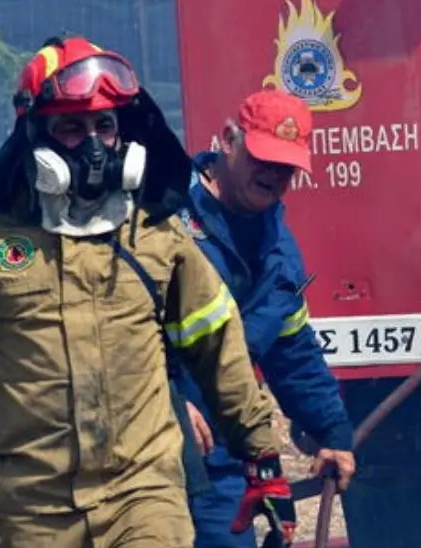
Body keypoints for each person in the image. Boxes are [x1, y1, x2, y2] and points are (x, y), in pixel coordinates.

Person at [0, 36, 296, 548]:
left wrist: (263, 458)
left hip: (144, 493)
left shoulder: (160, 241)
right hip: (35, 506)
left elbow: (220, 353)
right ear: (37, 138)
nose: (95, 144)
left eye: (105, 125)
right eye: (73, 127)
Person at [175, 89, 358, 547]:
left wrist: (330, 431)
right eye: (263, 159)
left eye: (286, 167)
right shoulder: (163, 220)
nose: (274, 176)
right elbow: (117, 332)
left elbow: (293, 350)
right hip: (146, 452)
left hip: (222, 458)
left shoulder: (278, 248)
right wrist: (168, 401)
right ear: (228, 140)